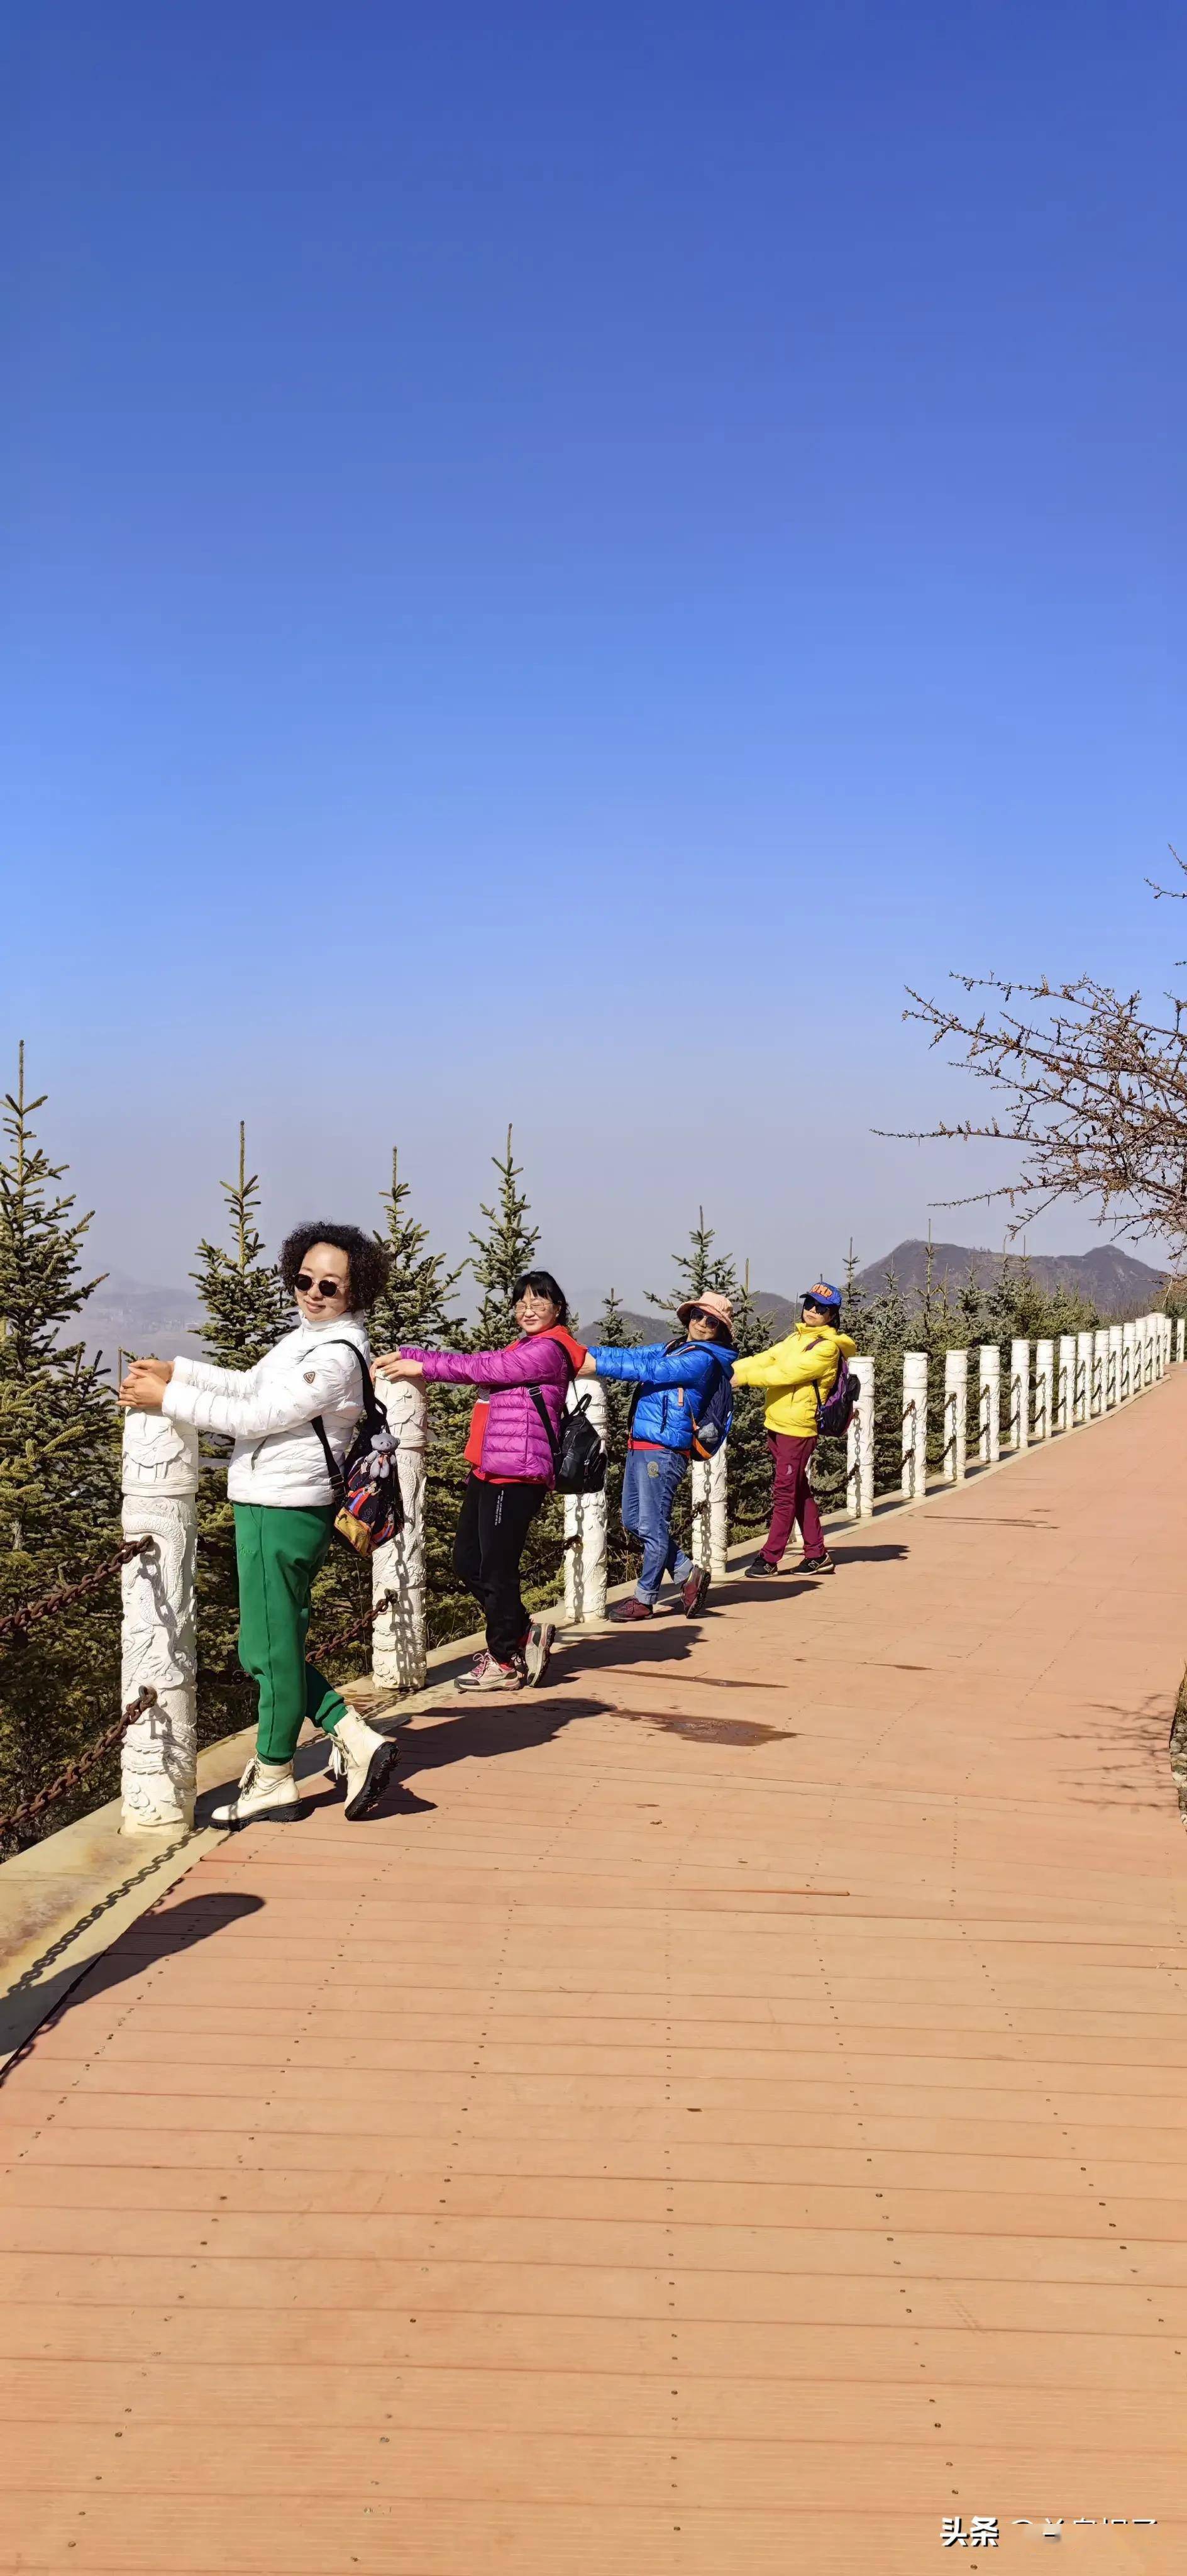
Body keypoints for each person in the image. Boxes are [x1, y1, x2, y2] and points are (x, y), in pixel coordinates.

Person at [117, 1224, 398, 1828]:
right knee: (269, 1644)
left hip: (286, 1508)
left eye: (330, 1285)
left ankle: (273, 1777)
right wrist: (181, 1372)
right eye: (305, 1279)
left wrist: (165, 1400)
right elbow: (250, 1385)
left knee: (269, 1651)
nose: (314, 1293)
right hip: (270, 1502)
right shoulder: (305, 1340)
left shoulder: (335, 1355)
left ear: (356, 1292)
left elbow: (258, 1414)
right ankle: (354, 1734)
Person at [375, 1270, 585, 1694]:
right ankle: (523, 1632)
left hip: (518, 1471)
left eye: (539, 1301)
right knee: (468, 1562)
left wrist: (420, 1361)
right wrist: (407, 1355)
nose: (528, 1309)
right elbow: (489, 1365)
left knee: (496, 1567)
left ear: (557, 1308)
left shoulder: (550, 1351)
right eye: (521, 1302)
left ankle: (505, 1660)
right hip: (490, 1468)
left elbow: (484, 1367)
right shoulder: (523, 1346)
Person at [578, 1290, 736, 1623]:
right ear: (689, 1317)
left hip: (664, 1449)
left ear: (721, 1329)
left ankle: (645, 1598)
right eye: (698, 1316)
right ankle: (686, 1573)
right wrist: (574, 1353)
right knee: (634, 1521)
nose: (703, 1324)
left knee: (651, 1523)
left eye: (712, 1321)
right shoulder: (672, 1347)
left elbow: (650, 1369)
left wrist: (595, 1365)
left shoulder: (702, 1359)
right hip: (642, 1444)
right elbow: (630, 1354)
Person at [731, 1280, 856, 1577]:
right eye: (809, 1304)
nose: (813, 1310)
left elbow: (786, 1373)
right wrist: (728, 1369)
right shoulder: (795, 1339)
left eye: (821, 1308)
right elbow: (766, 1359)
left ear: (832, 1316)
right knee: (798, 1491)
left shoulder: (826, 1348)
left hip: (798, 1430)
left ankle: (770, 1558)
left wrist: (745, 1380)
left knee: (784, 1494)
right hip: (777, 1424)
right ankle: (817, 1554)